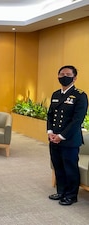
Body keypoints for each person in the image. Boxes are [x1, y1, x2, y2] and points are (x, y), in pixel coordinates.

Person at [47, 65, 88, 205]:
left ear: (74, 78)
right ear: (58, 76)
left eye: (68, 74)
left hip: (69, 140)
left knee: (70, 168)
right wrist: (50, 132)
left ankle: (71, 195)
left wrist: (61, 136)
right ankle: (61, 191)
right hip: (54, 139)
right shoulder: (55, 94)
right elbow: (50, 115)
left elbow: (77, 120)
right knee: (58, 165)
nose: (64, 76)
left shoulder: (80, 96)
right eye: (61, 74)